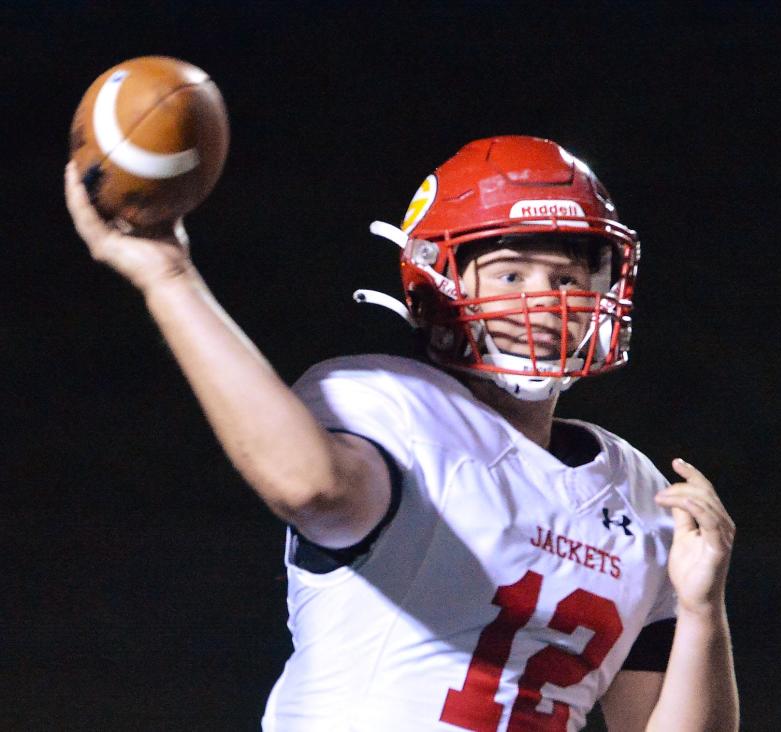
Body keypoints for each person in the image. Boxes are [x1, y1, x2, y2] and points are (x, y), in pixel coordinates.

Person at [66, 135, 738, 731]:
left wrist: (703, 608)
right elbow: (308, 485)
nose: (545, 299)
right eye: (511, 273)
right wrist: (169, 277)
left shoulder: (637, 493)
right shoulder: (396, 406)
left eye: (567, 276)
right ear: (434, 285)